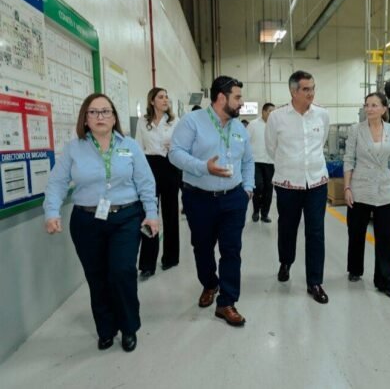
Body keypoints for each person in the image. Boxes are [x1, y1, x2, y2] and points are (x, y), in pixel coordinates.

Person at [43, 93, 158, 352]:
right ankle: (106, 329)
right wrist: (52, 212)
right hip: (86, 221)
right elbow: (57, 183)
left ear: (114, 117)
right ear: (85, 119)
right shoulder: (74, 149)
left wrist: (151, 213)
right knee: (96, 277)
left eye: (106, 111)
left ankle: (128, 327)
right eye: (93, 112)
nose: (100, 116)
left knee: (122, 272)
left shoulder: (130, 146)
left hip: (126, 218)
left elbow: (146, 182)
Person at [169, 76, 254, 327]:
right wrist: (203, 167)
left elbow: (248, 160)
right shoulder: (192, 122)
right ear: (221, 98)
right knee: (202, 247)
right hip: (199, 198)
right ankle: (210, 284)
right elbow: (175, 153)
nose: (241, 102)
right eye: (237, 97)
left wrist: (248, 189)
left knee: (231, 250)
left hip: (233, 198)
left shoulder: (240, 129)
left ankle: (227, 302)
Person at [265, 70, 330, 304]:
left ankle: (315, 281)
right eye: (306, 89)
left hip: (316, 182)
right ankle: (285, 262)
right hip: (288, 184)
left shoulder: (322, 115)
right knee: (287, 227)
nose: (311, 93)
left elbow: (322, 142)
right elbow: (271, 148)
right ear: (293, 91)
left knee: (316, 232)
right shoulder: (277, 117)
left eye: (313, 88)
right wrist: (291, 165)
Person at [343, 91, 390, 300]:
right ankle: (355, 268)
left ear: (384, 109)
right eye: (367, 105)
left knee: (385, 237)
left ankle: (386, 282)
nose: (369, 109)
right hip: (360, 188)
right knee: (356, 231)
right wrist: (347, 188)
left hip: (384, 189)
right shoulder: (356, 130)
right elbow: (349, 159)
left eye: (374, 105)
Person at [135, 87, 181, 279]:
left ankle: (171, 257)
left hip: (169, 166)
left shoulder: (175, 121)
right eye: (161, 97)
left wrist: (175, 146)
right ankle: (147, 263)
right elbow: (138, 147)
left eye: (166, 97)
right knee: (149, 213)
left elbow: (182, 145)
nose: (165, 100)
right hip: (149, 166)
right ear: (152, 101)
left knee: (170, 213)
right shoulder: (142, 121)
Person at [247, 102, 275, 223]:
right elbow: (246, 141)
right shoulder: (253, 124)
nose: (272, 114)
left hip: (270, 162)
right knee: (258, 186)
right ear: (263, 112)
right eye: (270, 112)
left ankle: (264, 214)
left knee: (268, 189)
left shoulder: (275, 126)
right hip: (256, 162)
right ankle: (255, 211)